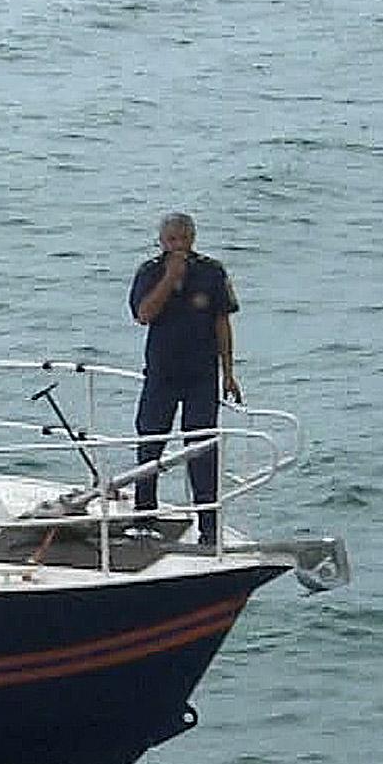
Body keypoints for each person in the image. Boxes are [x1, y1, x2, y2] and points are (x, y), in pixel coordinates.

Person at [129, 212, 241, 544]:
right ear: (161, 242)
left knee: (201, 449)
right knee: (150, 443)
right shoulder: (149, 272)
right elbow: (144, 314)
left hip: (201, 377)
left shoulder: (211, 272)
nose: (177, 246)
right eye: (171, 240)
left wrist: (229, 372)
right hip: (161, 375)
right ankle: (144, 517)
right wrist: (169, 278)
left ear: (192, 239)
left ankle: (208, 526)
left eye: (182, 239)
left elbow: (222, 323)